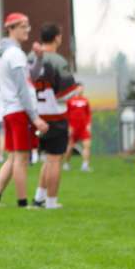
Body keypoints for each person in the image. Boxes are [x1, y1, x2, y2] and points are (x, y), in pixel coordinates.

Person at [0, 12, 48, 209]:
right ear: (11, 29)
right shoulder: (15, 54)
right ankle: (22, 203)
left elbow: (32, 76)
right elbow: (23, 89)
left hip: (11, 111)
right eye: (23, 26)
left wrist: (38, 59)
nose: (27, 30)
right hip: (19, 111)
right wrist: (35, 117)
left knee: (13, 157)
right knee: (21, 159)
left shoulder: (10, 53)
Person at [31, 24, 78, 210]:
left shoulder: (30, 58)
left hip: (34, 116)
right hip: (54, 117)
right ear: (57, 38)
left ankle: (38, 198)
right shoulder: (58, 61)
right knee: (55, 159)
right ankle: (51, 202)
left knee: (47, 160)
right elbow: (67, 93)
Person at [63, 83, 93, 171]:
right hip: (73, 127)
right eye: (79, 88)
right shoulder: (70, 101)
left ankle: (85, 165)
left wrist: (88, 125)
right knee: (70, 146)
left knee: (87, 145)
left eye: (82, 88)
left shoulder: (85, 100)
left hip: (83, 127)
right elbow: (66, 114)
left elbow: (88, 114)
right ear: (75, 89)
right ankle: (66, 163)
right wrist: (68, 126)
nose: (80, 90)